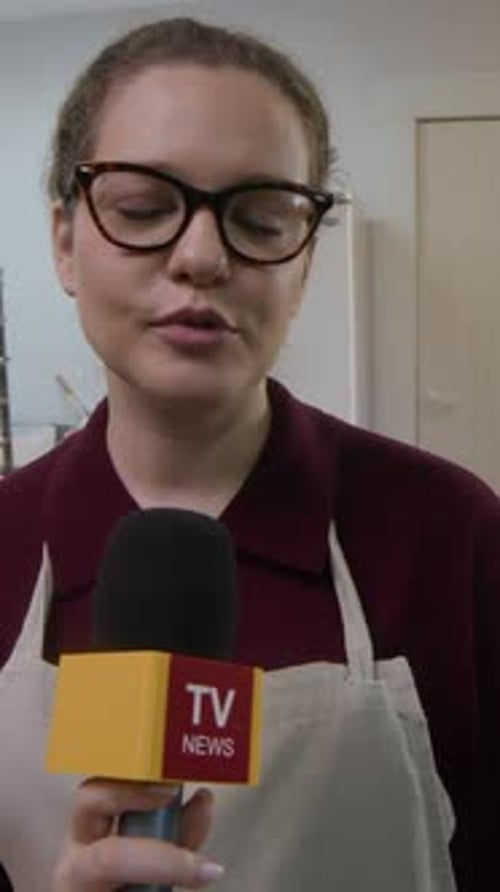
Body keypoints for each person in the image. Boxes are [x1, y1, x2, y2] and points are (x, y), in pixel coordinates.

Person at [0, 15, 498, 892]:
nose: (201, 255)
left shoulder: (448, 532)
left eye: (262, 219)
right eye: (144, 209)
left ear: (303, 265)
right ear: (66, 240)